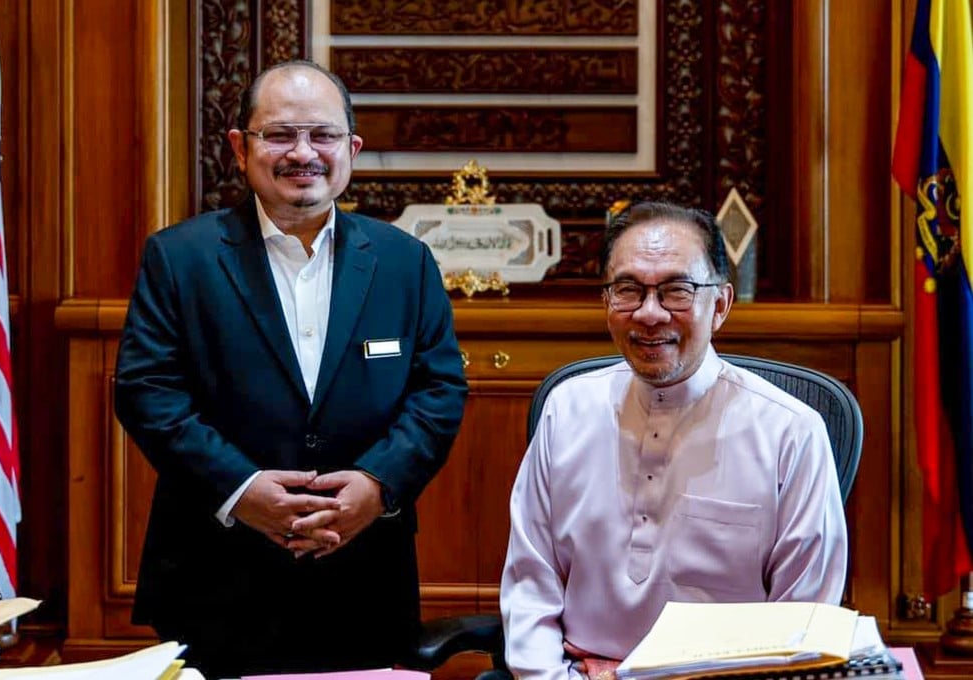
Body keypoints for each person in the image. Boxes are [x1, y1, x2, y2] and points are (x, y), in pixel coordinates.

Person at [114, 59, 468, 679]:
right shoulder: (179, 258)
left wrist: (377, 486)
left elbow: (437, 392)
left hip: (364, 569)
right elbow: (148, 392)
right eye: (279, 135)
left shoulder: (404, 261)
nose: (302, 153)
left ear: (351, 149)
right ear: (239, 147)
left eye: (322, 135)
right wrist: (241, 490)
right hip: (217, 570)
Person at [499, 201, 847, 680]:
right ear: (607, 302)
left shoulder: (793, 433)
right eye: (628, 290)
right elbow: (530, 583)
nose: (649, 313)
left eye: (676, 291)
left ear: (720, 304)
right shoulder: (567, 409)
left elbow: (804, 617)